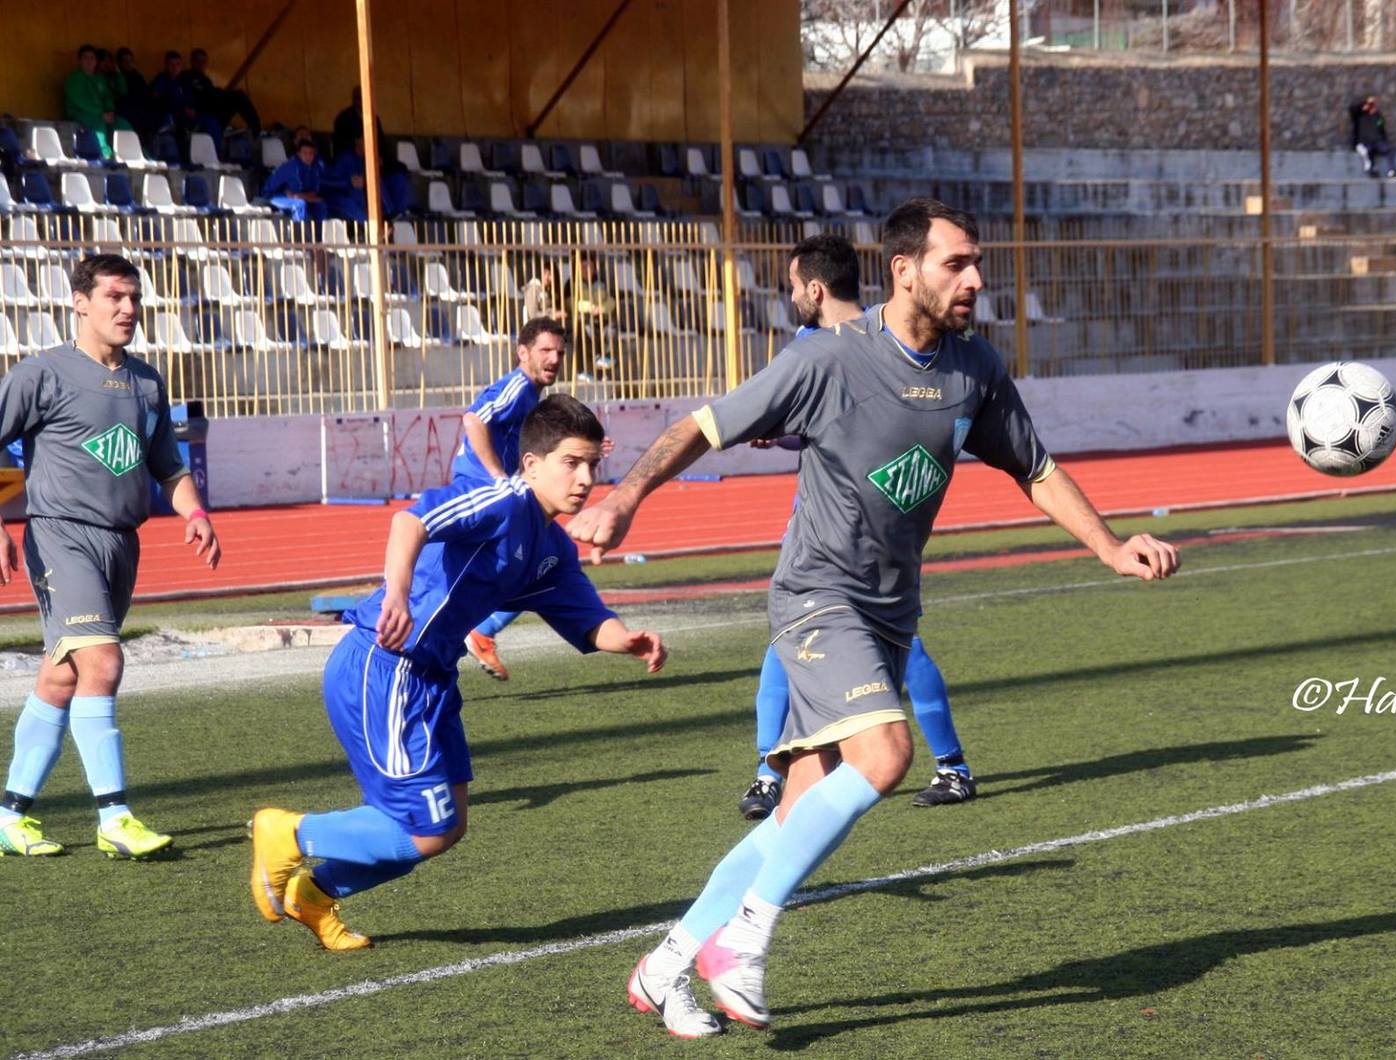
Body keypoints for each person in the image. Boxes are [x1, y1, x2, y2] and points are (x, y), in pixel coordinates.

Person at [569, 198, 1182, 1036]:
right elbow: (703, 427)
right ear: (904, 269)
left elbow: (1034, 468)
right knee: (888, 755)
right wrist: (624, 499)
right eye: (956, 263)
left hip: (891, 612)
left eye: (976, 262)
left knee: (796, 813)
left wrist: (1109, 546)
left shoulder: (974, 368)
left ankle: (665, 964)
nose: (975, 279)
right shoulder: (829, 359)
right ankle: (742, 939)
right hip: (818, 595)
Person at [249, 395, 665, 951]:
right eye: (572, 463)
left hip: (434, 680)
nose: (586, 479)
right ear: (531, 463)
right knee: (424, 829)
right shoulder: (501, 500)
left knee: (447, 827)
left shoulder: (552, 548)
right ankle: (289, 832)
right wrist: (397, 594)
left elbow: (588, 620)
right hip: (386, 666)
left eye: (593, 464)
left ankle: (316, 894)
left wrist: (626, 640)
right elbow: (411, 520)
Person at [737, 233, 976, 822]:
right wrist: (778, 432)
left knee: (901, 649)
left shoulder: (869, 343)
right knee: (786, 647)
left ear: (816, 289)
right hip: (822, 532)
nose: (791, 297)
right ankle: (771, 773)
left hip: (867, 539)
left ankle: (952, 764)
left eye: (794, 286)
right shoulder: (833, 342)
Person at [0, 253, 223, 859]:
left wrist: (196, 515)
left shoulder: (147, 382)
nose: (128, 310)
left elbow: (168, 467)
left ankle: (10, 815)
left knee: (64, 674)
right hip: (61, 536)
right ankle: (115, 817)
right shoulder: (40, 374)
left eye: (134, 299)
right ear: (80, 303)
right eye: (114, 298)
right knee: (103, 661)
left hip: (122, 543)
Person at [455, 319, 568, 681]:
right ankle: (480, 630)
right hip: (481, 492)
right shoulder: (518, 387)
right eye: (545, 350)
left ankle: (471, 631)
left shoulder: (531, 396)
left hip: (491, 495)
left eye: (559, 352)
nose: (554, 359)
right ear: (523, 353)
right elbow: (473, 420)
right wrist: (498, 477)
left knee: (542, 557)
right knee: (545, 557)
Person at [63, 45, 129, 161]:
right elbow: (82, 102)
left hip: (101, 113)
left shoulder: (99, 79)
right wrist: (101, 114)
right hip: (80, 113)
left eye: (92, 58)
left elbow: (107, 97)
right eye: (85, 57)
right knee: (98, 123)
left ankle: (129, 155)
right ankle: (104, 155)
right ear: (80, 61)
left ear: (96, 61)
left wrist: (110, 110)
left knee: (121, 123)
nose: (89, 61)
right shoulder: (74, 79)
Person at [181, 48, 261, 144]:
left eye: (204, 61)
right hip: (200, 112)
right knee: (237, 96)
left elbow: (211, 93)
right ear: (192, 62)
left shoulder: (205, 80)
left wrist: (221, 93)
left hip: (213, 111)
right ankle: (257, 130)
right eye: (198, 61)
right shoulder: (186, 76)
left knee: (238, 97)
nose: (201, 64)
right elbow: (202, 95)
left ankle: (256, 131)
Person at [262, 138, 328, 223]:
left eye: (311, 153)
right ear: (299, 154)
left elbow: (313, 192)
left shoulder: (314, 168)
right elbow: (270, 189)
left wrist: (299, 196)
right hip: (275, 197)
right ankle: (299, 231)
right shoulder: (290, 167)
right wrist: (293, 195)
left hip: (300, 197)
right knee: (299, 204)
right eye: (305, 153)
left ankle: (319, 231)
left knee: (320, 205)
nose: (308, 156)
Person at [1350, 95, 1396, 180]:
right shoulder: (1359, 115)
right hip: (1365, 142)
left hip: (1377, 142)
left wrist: (1378, 117)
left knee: (1390, 149)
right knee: (1368, 152)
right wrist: (1364, 103)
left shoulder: (1377, 116)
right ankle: (1372, 170)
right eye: (1369, 105)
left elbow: (1381, 127)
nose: (1371, 107)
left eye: (1372, 105)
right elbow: (1352, 108)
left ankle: (1392, 171)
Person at [113, 48, 155, 135]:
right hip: (124, 111)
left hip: (139, 110)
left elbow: (145, 93)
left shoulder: (136, 75)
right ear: (119, 62)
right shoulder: (116, 76)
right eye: (125, 60)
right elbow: (121, 94)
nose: (128, 63)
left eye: (130, 60)